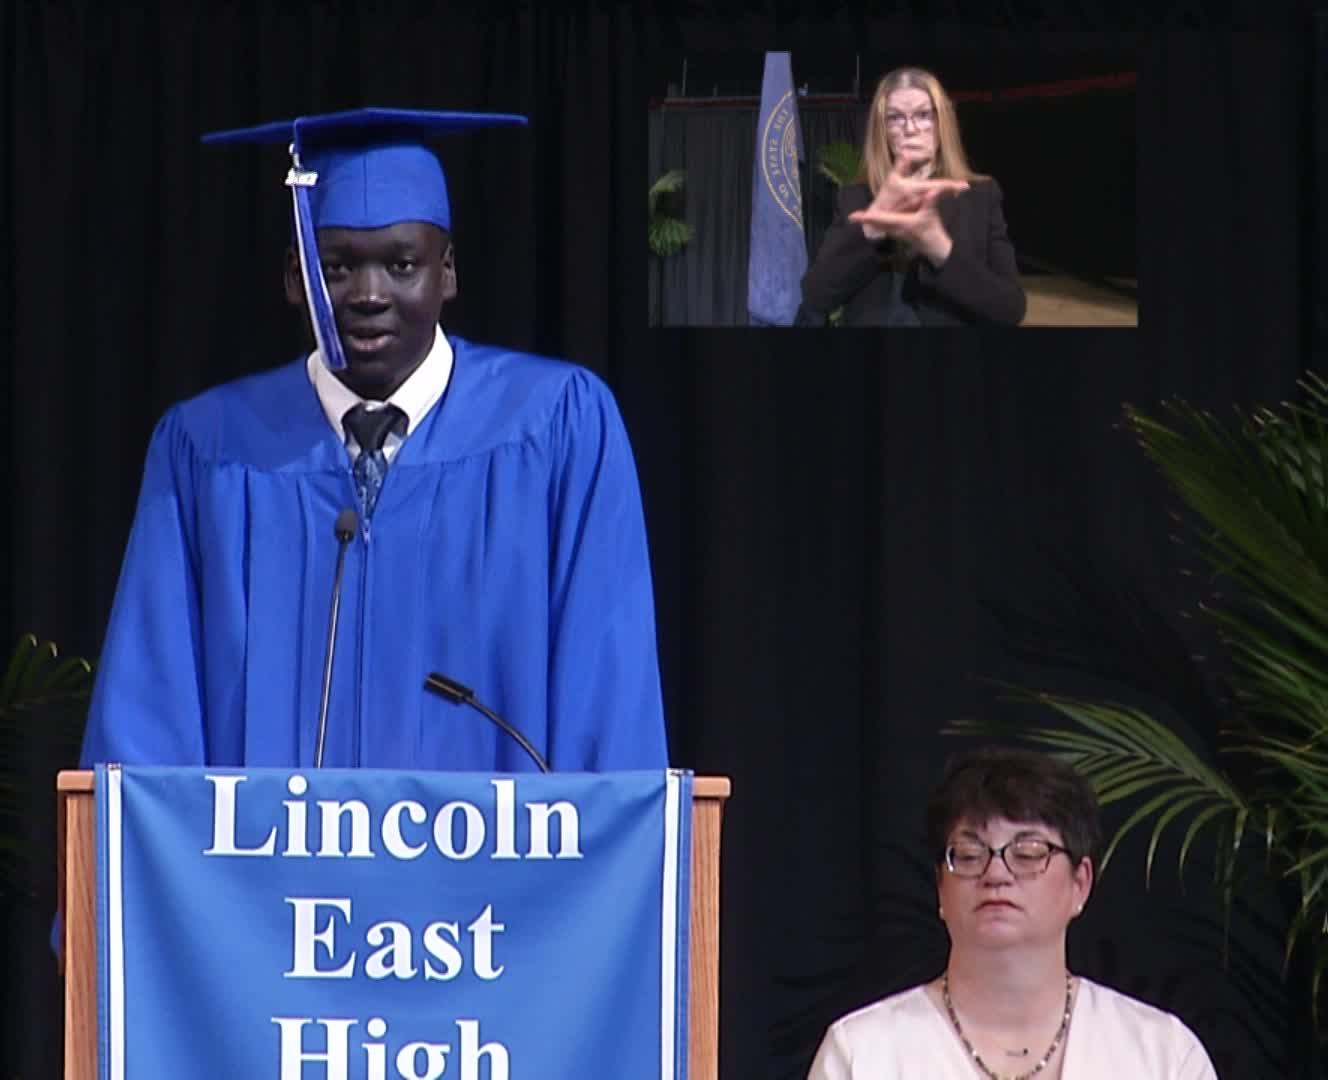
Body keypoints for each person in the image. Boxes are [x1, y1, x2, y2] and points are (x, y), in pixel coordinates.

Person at [76, 107, 668, 773]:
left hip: (494, 875)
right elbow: (146, 725)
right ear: (293, 278)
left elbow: (610, 706)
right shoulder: (210, 452)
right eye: (336, 268)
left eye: (402, 264)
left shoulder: (556, 430)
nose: (367, 295)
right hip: (262, 878)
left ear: (447, 272)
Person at [807, 747, 1218, 1079]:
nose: (996, 873)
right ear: (940, 889)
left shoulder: (1163, 1055)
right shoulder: (861, 1053)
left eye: (1028, 853)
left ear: (1081, 884)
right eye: (969, 855)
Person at [796, 67, 1027, 326]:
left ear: (942, 123)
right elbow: (816, 297)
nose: (910, 128)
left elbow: (1010, 310)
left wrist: (939, 248)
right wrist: (873, 227)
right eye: (895, 118)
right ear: (882, 130)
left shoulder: (981, 195)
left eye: (923, 115)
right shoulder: (855, 196)